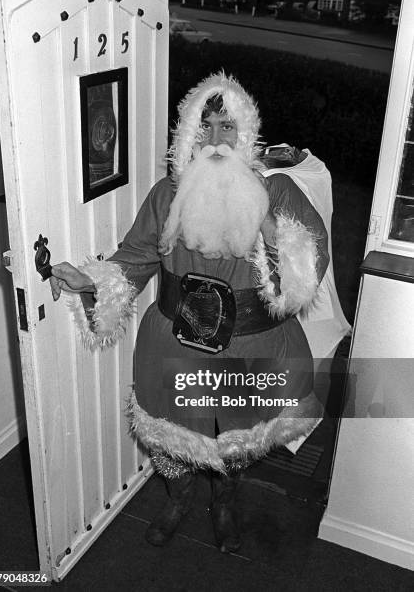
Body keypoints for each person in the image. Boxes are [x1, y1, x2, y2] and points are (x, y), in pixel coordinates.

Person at [50, 72, 330, 553]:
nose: (216, 140)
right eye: (205, 128)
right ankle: (177, 499)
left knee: (237, 443)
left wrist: (268, 224)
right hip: (174, 339)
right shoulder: (166, 194)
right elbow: (135, 258)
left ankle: (223, 502)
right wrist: (90, 280)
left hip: (253, 346)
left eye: (227, 127)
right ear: (188, 135)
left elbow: (310, 273)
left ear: (245, 135)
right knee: (169, 437)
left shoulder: (280, 191)